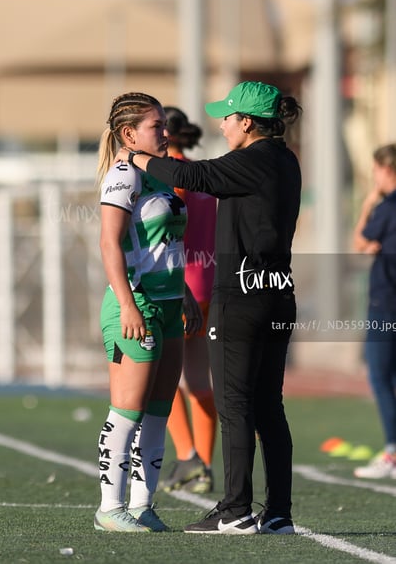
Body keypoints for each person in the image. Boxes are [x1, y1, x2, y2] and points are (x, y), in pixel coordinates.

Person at [115, 80, 302, 535]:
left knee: (235, 405)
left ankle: (236, 509)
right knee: (268, 406)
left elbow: (194, 177)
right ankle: (278, 513)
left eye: (228, 116)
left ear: (247, 122)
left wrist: (135, 158)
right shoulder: (285, 160)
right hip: (278, 292)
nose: (221, 123)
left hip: (242, 297)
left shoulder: (251, 160)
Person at [94, 92, 202, 533]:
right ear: (128, 134)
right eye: (156, 126)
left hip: (170, 304)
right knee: (128, 409)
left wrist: (188, 296)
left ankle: (142, 505)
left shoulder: (156, 175)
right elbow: (108, 243)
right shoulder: (124, 175)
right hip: (135, 303)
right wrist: (126, 304)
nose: (165, 132)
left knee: (159, 409)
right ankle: (109, 508)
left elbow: (168, 245)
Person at [158, 106, 217, 495]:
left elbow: (169, 232)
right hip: (209, 283)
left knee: (162, 380)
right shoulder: (202, 174)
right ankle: (205, 466)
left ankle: (187, 456)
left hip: (181, 288)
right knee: (198, 379)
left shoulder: (172, 174)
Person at [353, 143, 396, 479]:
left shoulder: (387, 207)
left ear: (387, 169)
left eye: (376, 169)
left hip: (387, 303)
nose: (373, 175)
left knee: (380, 377)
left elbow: (360, 241)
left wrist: (368, 205)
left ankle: (393, 453)